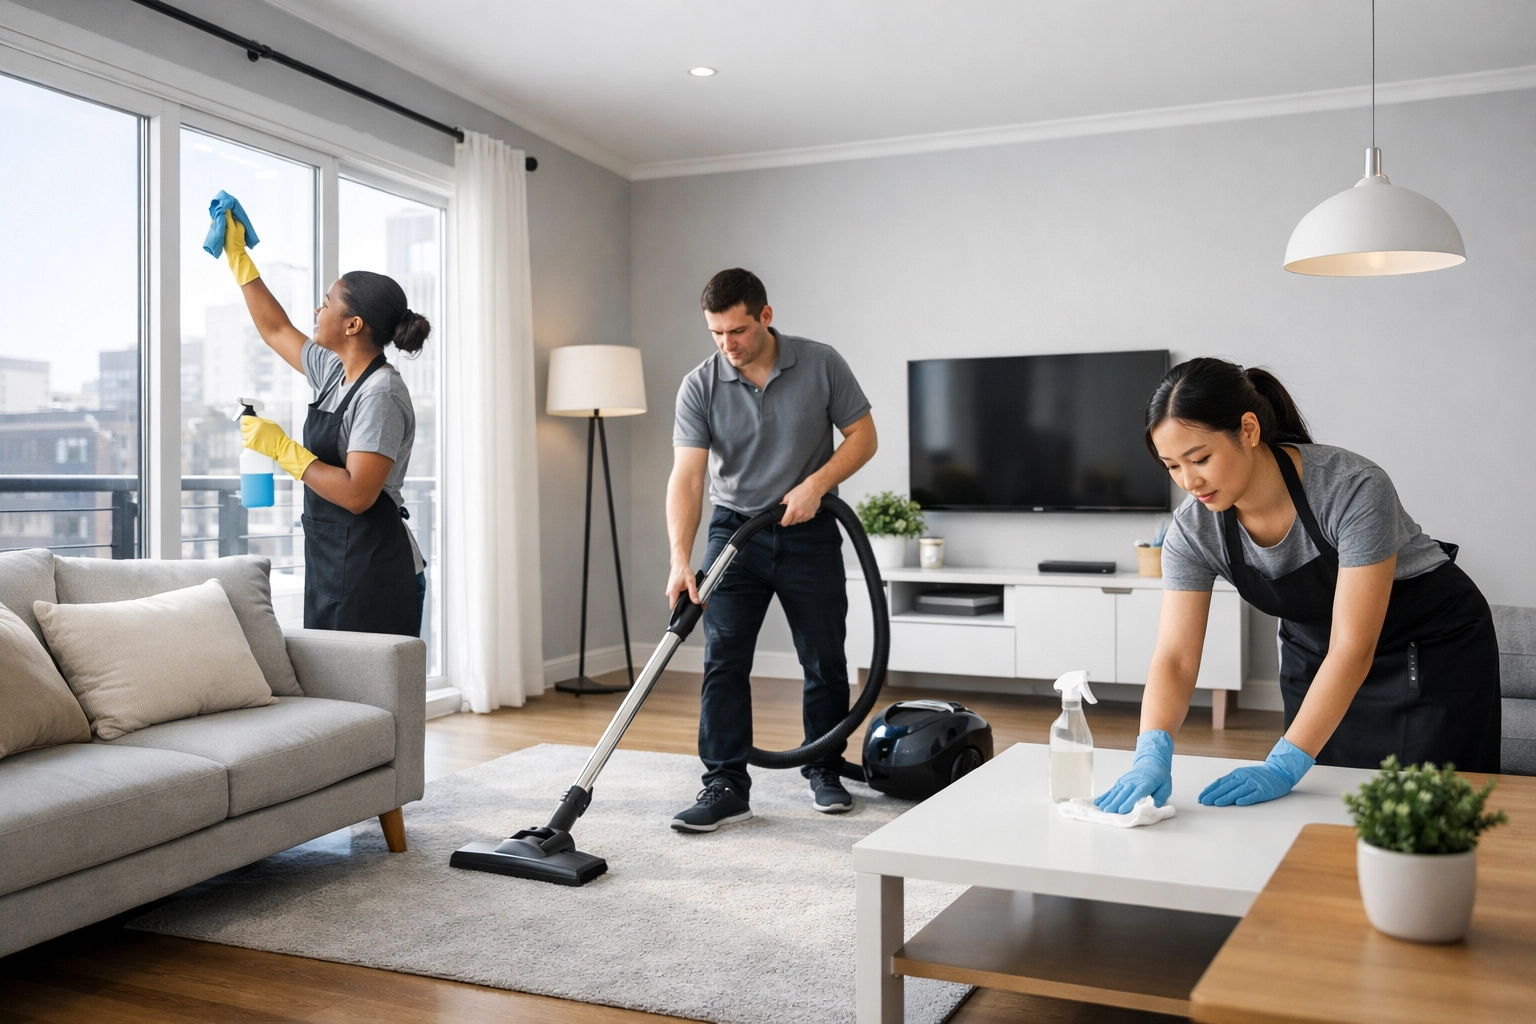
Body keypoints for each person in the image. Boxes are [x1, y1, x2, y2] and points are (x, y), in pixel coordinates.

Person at [1097, 358, 1500, 812]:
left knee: (1432, 810)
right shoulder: (1193, 531)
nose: (1189, 482)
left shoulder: (1352, 487)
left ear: (1248, 430)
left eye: (1201, 458)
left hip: (1428, 647)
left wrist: (1283, 765)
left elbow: (1354, 646)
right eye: (1172, 466)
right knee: (1323, 806)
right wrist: (1151, 750)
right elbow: (1175, 658)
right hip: (1318, 654)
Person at [666, 268, 878, 832]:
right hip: (736, 533)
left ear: (765, 315)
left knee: (824, 658)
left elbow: (864, 437)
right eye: (716, 333)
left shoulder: (821, 362)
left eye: (737, 330)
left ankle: (823, 766)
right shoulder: (700, 385)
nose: (727, 344)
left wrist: (816, 484)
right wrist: (680, 559)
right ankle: (725, 785)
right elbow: (688, 478)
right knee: (724, 658)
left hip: (811, 529)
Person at [219, 209, 429, 637]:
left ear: (353, 324)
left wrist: (282, 449)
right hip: (332, 566)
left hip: (378, 575)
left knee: (374, 684)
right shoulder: (335, 371)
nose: (318, 309)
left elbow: (357, 494)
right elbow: (276, 329)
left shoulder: (381, 393)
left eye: (327, 303)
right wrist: (238, 257)